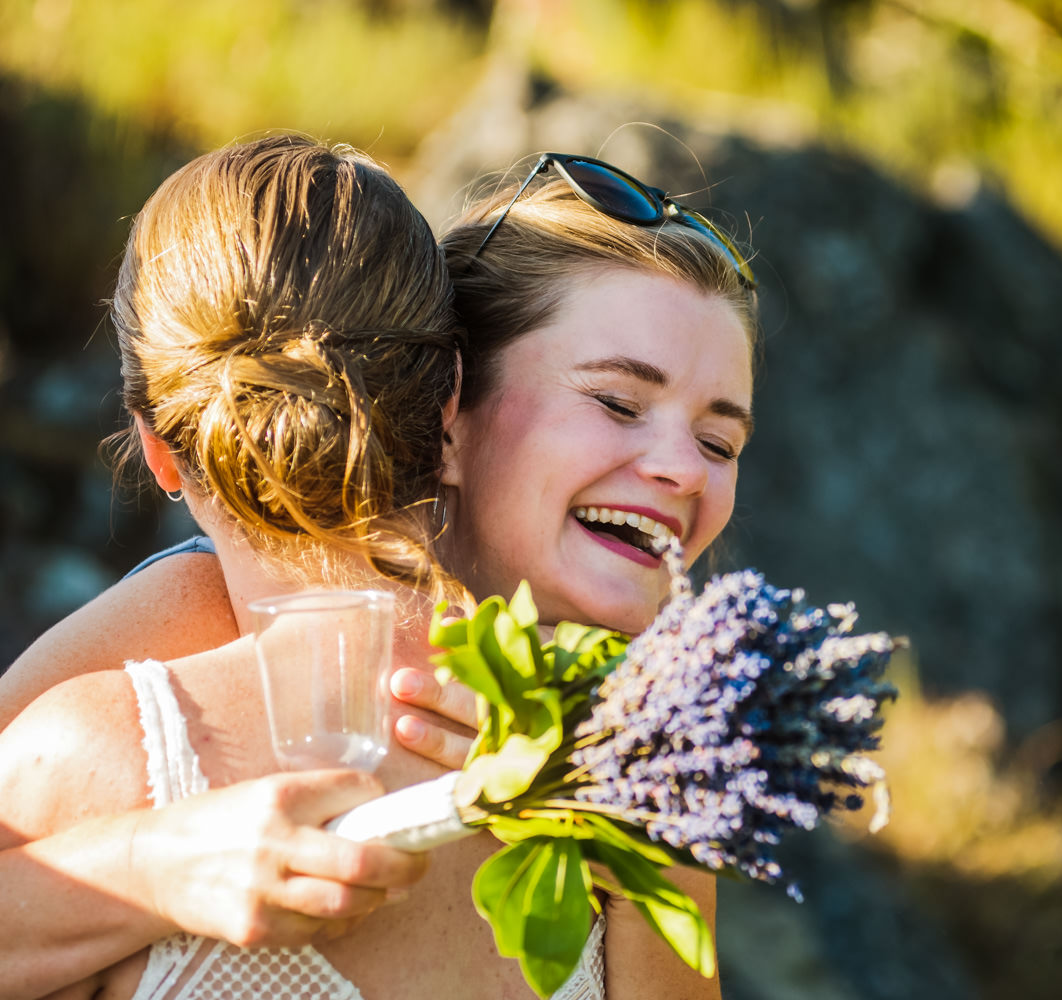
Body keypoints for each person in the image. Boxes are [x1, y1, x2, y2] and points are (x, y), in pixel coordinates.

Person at [0, 144, 758, 999]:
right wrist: (153, 866)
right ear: (451, 410)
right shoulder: (187, 616)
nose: (683, 471)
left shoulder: (650, 759)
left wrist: (649, 819)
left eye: (721, 442)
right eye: (616, 403)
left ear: (158, 446)